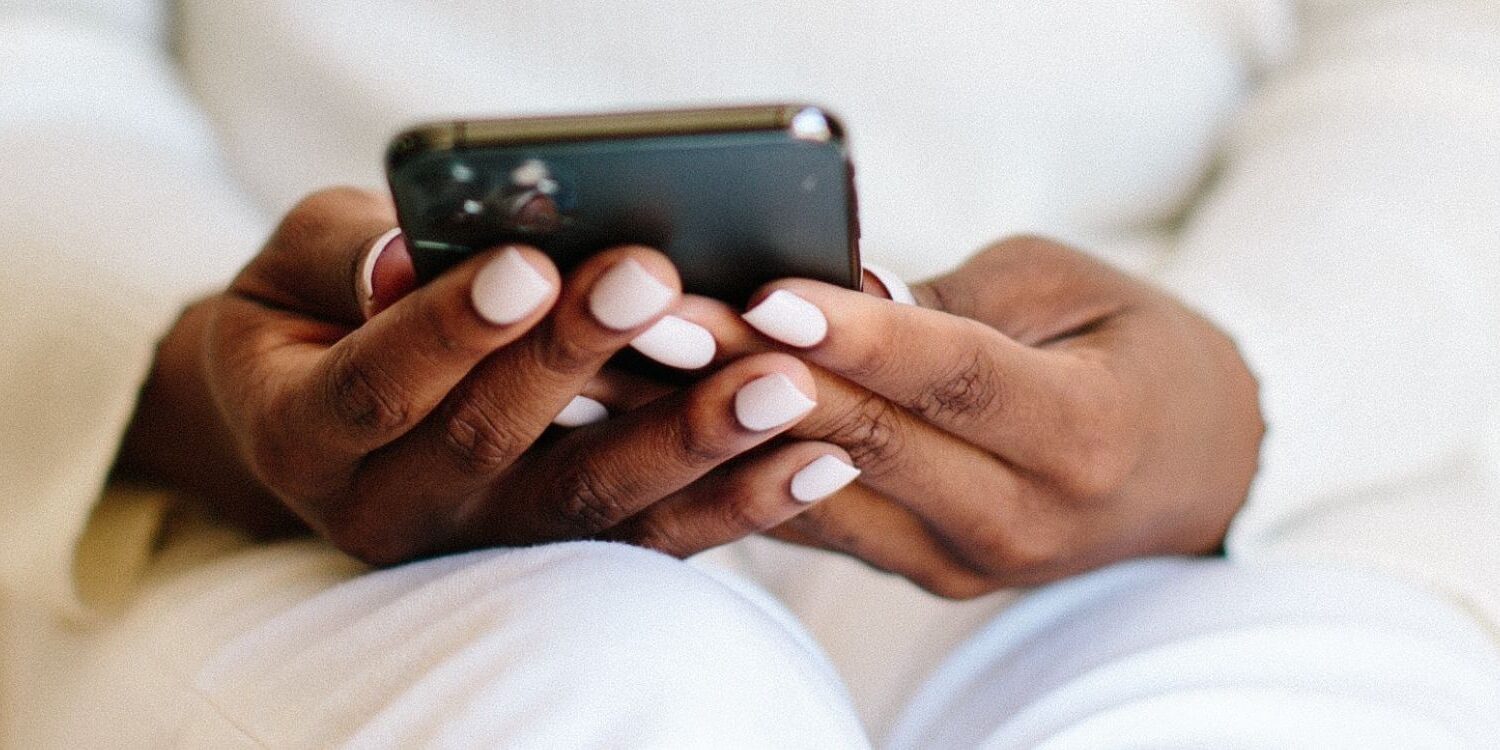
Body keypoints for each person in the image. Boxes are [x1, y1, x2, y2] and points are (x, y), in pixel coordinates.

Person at [3, 0, 1499, 746]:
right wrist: (190, 370)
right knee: (592, 697)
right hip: (289, 492)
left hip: (1205, 466)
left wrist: (1263, 376)